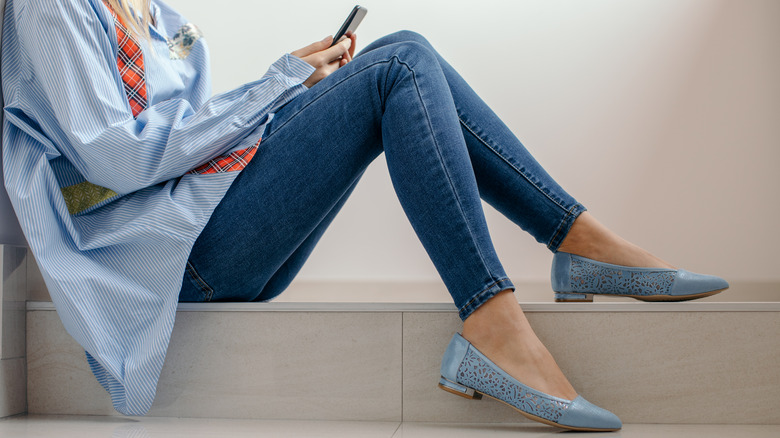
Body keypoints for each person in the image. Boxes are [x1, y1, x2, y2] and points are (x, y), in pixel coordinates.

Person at [1, 0, 728, 431]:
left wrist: (289, 92)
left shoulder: (150, 8)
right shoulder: (53, 8)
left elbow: (188, 138)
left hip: (206, 217)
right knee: (399, 64)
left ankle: (574, 242)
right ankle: (498, 315)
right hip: (174, 256)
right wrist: (276, 83)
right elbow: (120, 162)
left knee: (405, 60)